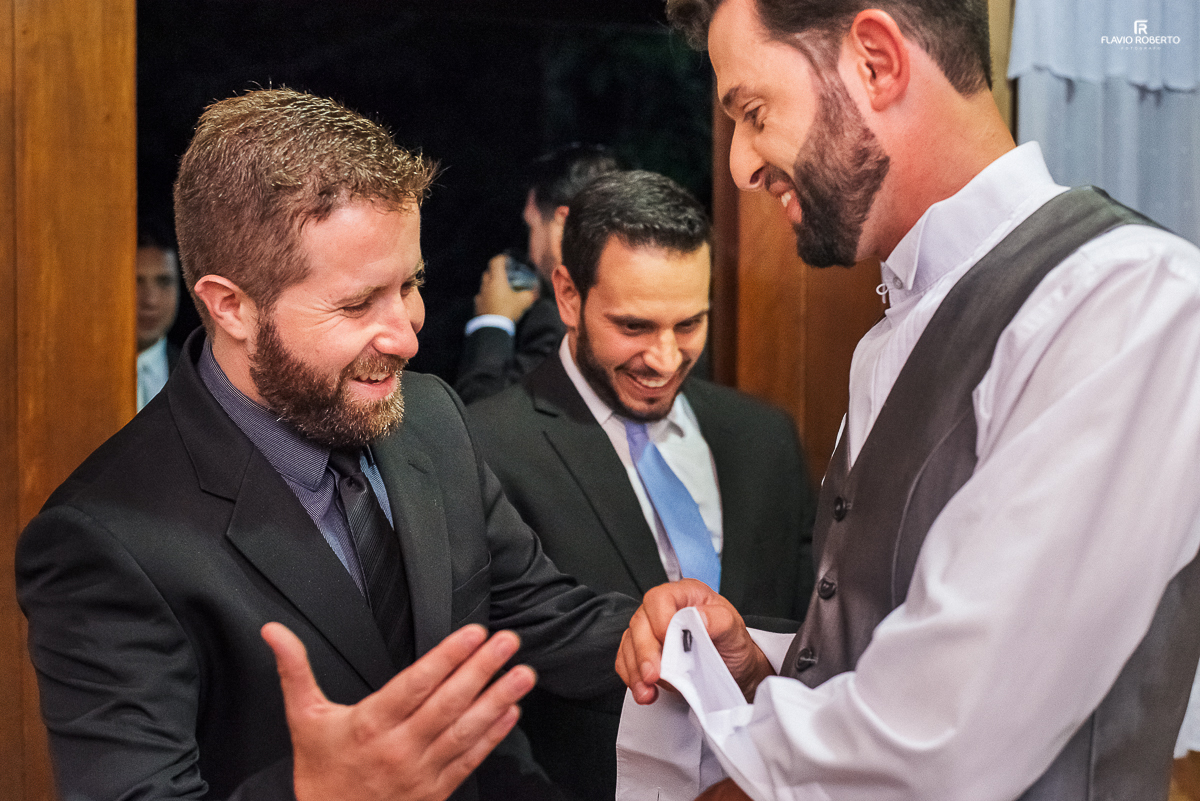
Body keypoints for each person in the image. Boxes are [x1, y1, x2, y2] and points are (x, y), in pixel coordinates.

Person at [614, 1, 1200, 800]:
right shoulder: (893, 335)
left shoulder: (1132, 299)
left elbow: (949, 730)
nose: (743, 165)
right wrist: (764, 666)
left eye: (753, 112)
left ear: (877, 62)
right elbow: (898, 642)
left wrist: (735, 782)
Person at [16, 88, 636, 801]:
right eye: (356, 303)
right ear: (232, 305)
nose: (406, 334)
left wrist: (683, 644)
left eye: (411, 284)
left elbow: (535, 611)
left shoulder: (430, 415)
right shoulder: (105, 540)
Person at [467, 169, 816, 801]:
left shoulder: (764, 437)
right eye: (634, 326)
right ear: (568, 297)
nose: (664, 358)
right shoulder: (487, 449)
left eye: (689, 324)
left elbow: (812, 634)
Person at [454, 143, 624, 404]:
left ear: (563, 222)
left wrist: (492, 320)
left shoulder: (560, 320)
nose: (531, 255)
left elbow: (483, 418)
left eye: (532, 227)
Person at [135, 225, 181, 410]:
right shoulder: (82, 373)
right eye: (137, 281)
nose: (150, 300)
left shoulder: (198, 378)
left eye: (164, 282)